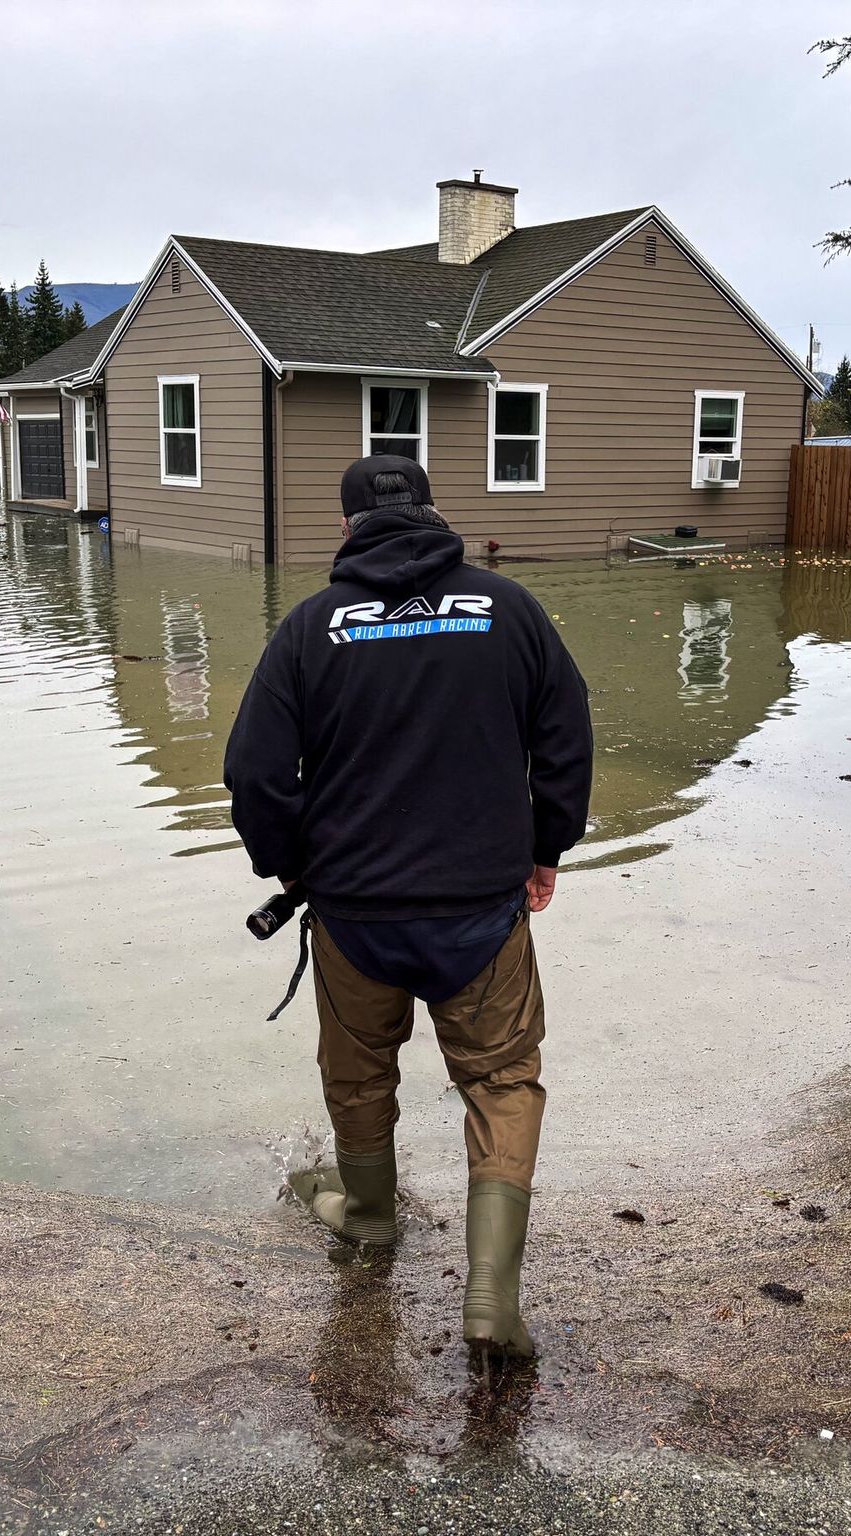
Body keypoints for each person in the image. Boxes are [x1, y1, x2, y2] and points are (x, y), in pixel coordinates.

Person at [224, 454, 593, 1363]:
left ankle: (371, 1219)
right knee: (502, 1081)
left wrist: (291, 865)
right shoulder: (509, 611)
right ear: (433, 514)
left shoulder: (309, 629)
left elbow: (254, 775)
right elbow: (568, 731)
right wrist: (548, 846)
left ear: (346, 531)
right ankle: (490, 1295)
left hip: (354, 915)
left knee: (358, 1079)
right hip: (482, 911)